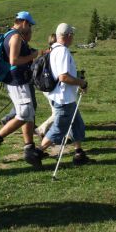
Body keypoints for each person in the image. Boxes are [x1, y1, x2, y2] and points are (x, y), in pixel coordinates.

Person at [0, 11, 47, 167]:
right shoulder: (16, 37)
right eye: (30, 25)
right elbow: (14, 60)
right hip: (17, 81)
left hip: (18, 80)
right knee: (25, 113)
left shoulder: (11, 35)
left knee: (29, 113)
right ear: (24, 23)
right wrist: (33, 55)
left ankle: (29, 148)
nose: (30, 28)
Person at [37, 23, 90, 167]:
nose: (73, 37)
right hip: (63, 98)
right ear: (67, 36)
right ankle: (37, 152)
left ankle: (79, 154)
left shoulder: (54, 49)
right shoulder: (63, 52)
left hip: (63, 96)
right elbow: (63, 77)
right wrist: (81, 83)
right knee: (59, 128)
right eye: (72, 35)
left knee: (77, 124)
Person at [0, 26, 38, 127]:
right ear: (26, 34)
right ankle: (7, 121)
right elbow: (15, 60)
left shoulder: (20, 42)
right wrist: (33, 55)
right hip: (20, 77)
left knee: (24, 105)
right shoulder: (17, 40)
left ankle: (27, 128)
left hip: (18, 77)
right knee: (29, 104)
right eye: (30, 33)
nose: (31, 36)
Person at [34, 33, 59, 139]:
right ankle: (42, 129)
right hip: (52, 88)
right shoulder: (55, 55)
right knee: (59, 112)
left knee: (57, 112)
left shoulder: (45, 54)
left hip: (45, 87)